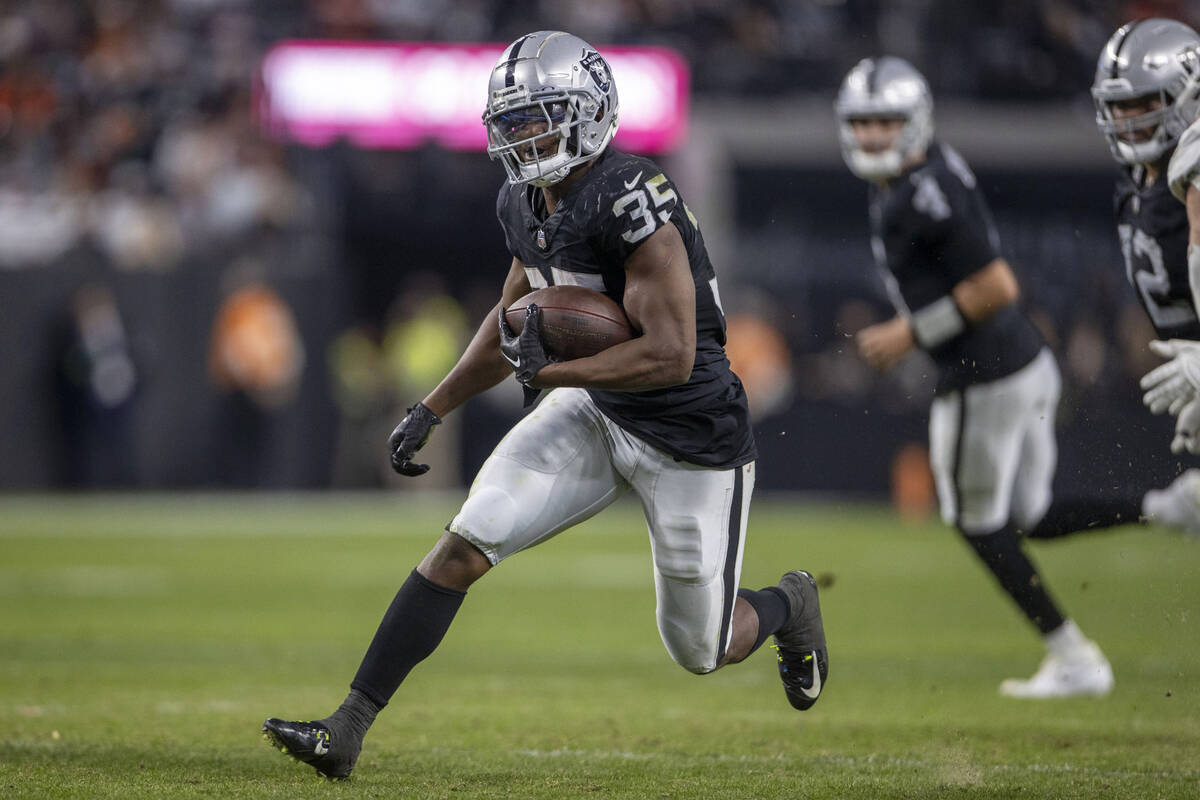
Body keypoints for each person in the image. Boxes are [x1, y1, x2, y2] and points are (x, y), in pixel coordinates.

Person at [261, 31, 828, 780]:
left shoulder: (631, 198)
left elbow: (671, 355)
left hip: (690, 432)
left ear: (591, 114)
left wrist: (559, 371)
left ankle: (791, 604)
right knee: (466, 541)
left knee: (702, 648)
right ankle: (348, 728)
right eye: (516, 120)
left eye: (542, 116)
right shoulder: (522, 202)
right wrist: (432, 407)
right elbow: (512, 324)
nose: (526, 135)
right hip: (598, 408)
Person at [837, 56, 1123, 699]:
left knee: (975, 520)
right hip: (1022, 359)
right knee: (1031, 513)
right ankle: (1172, 505)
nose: (875, 135)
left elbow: (997, 285)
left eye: (887, 121)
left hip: (984, 372)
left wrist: (909, 331)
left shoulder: (921, 191)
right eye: (864, 123)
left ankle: (1071, 653)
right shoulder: (922, 176)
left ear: (914, 122)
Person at [1092, 18, 1200, 522]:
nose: (1127, 118)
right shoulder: (1134, 183)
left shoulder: (1193, 175)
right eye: (1118, 106)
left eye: (1143, 104)